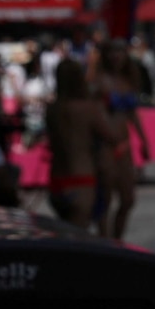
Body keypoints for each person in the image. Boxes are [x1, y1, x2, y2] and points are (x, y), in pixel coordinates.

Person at [45, 59, 122, 229]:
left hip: (57, 179)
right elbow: (112, 136)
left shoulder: (52, 109)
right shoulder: (88, 109)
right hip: (81, 179)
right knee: (79, 237)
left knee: (65, 232)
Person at [93, 39, 150, 239]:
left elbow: (133, 114)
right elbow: (94, 114)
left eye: (120, 51)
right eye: (112, 51)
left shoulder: (128, 80)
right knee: (105, 199)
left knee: (128, 199)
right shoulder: (98, 81)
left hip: (123, 144)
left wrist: (144, 140)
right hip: (105, 145)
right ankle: (105, 240)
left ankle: (117, 238)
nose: (116, 56)